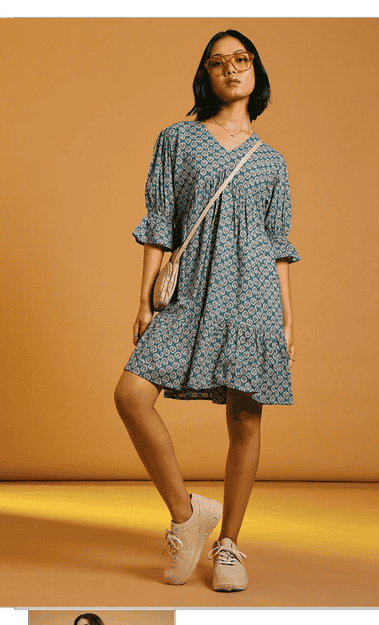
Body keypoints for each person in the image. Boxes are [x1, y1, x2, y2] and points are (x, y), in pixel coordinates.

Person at [113, 29, 301, 592]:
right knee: (131, 395)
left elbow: (278, 247)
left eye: (241, 59)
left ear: (256, 70)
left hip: (253, 296)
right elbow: (160, 222)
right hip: (190, 292)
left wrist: (287, 319)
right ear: (206, 75)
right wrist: (144, 301)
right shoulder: (178, 139)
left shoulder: (272, 161)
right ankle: (187, 515)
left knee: (245, 419)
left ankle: (230, 545)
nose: (231, 69)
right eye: (218, 62)